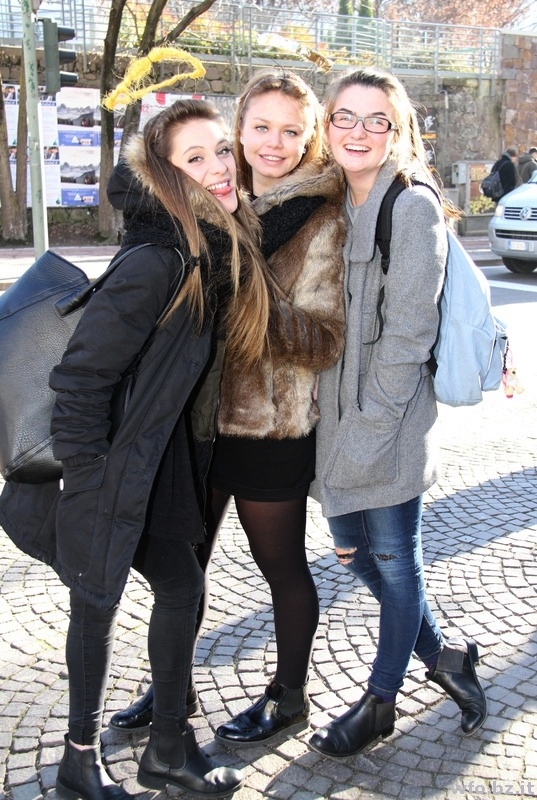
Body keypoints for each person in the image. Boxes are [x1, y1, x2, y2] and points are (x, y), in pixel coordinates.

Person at [0, 98, 274, 799]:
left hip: (157, 461)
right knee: (95, 603)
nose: (219, 167)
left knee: (180, 587)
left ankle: (168, 750)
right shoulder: (158, 260)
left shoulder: (207, 245)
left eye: (221, 149)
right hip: (108, 466)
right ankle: (79, 761)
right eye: (195, 157)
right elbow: (81, 379)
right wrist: (90, 479)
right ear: (166, 175)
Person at [110, 69, 347, 746]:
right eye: (260, 126)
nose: (273, 143)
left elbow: (324, 339)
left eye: (290, 131)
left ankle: (289, 697)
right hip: (198, 418)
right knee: (183, 566)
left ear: (309, 138)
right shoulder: (213, 192)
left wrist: (247, 294)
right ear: (238, 130)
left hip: (270, 426)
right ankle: (171, 688)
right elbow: (135, 189)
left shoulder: (322, 217)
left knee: (282, 567)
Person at [308, 67, 488, 759]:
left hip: (388, 419)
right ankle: (445, 659)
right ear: (328, 125)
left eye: (375, 119)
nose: (358, 132)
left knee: (394, 560)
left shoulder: (411, 206)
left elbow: (410, 336)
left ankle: (379, 703)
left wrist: (371, 430)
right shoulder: (328, 200)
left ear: (398, 129)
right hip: (334, 419)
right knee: (355, 555)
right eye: (345, 117)